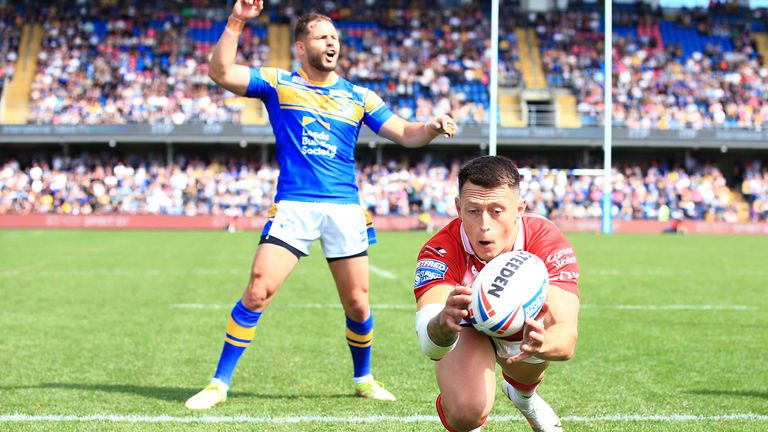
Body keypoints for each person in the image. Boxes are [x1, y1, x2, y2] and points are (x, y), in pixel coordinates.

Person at [185, 0, 457, 409]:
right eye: (322, 36)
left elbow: (404, 132)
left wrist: (431, 128)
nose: (332, 43)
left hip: (345, 209)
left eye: (335, 37)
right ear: (300, 46)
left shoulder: (359, 96)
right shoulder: (279, 83)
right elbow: (221, 72)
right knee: (258, 290)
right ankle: (219, 383)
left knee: (358, 302)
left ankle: (363, 378)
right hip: (295, 205)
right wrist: (237, 21)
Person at [413, 156, 580, 432]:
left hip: (523, 329)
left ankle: (523, 396)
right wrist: (443, 322)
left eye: (497, 211)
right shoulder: (440, 250)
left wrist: (542, 343)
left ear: (519, 209)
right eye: (473, 211)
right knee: (466, 410)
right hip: (466, 327)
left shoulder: (546, 241)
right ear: (458, 208)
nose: (485, 224)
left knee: (541, 332)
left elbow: (566, 335)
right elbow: (430, 343)